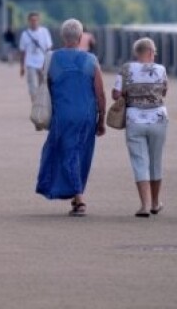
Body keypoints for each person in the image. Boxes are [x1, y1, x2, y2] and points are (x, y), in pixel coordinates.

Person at [36, 18, 106, 216]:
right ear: (81, 37)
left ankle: (79, 199)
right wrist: (101, 120)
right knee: (80, 154)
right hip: (86, 115)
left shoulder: (51, 58)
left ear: (62, 36)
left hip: (63, 114)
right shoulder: (91, 60)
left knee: (65, 153)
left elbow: (47, 88)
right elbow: (100, 93)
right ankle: (77, 197)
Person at [112, 37, 169, 218]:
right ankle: (155, 203)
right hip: (158, 119)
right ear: (151, 52)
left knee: (140, 162)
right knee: (155, 160)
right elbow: (164, 91)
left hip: (134, 119)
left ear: (137, 53)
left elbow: (115, 94)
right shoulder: (161, 70)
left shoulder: (126, 69)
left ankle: (144, 205)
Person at [18, 12, 53, 99]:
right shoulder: (25, 34)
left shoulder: (44, 32)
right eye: (32, 20)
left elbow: (49, 48)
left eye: (36, 20)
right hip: (30, 63)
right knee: (32, 87)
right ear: (29, 21)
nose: (34, 22)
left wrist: (48, 63)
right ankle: (35, 103)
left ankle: (41, 104)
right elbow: (22, 51)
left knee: (43, 86)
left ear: (39, 21)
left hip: (42, 63)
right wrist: (22, 66)